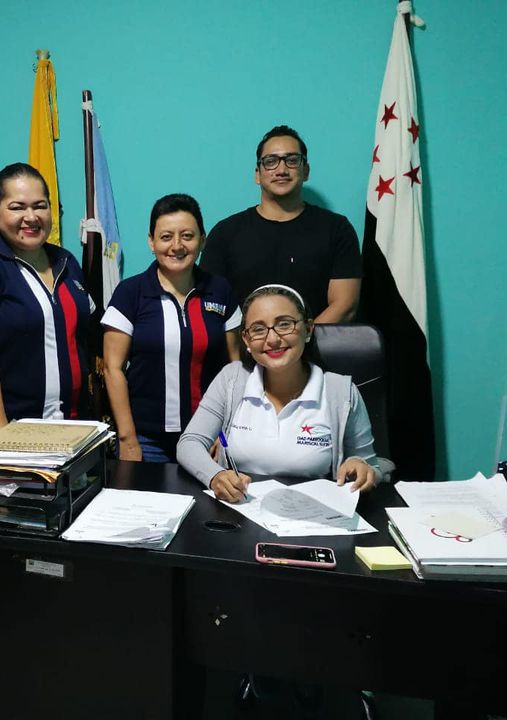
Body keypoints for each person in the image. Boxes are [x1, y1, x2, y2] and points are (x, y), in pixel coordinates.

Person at [177, 283, 379, 501]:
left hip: (312, 514)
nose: (272, 339)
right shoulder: (232, 379)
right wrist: (215, 475)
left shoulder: (341, 392)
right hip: (239, 510)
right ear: (246, 339)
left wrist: (361, 467)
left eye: (284, 324)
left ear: (308, 329)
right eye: (258, 329)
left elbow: (372, 467)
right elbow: (190, 443)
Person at [0, 163, 93, 433]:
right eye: (17, 207)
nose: (31, 217)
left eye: (40, 206)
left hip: (75, 428)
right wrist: (2, 436)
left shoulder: (66, 261)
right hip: (16, 432)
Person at [102, 193, 241, 463]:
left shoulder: (220, 290)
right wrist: (128, 439)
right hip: (146, 439)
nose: (177, 246)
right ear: (151, 241)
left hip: (209, 435)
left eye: (187, 236)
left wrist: (224, 431)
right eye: (166, 237)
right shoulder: (130, 293)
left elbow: (234, 369)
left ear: (202, 240)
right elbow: (112, 368)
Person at [200, 125, 362, 323]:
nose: (282, 170)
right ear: (257, 174)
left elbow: (345, 306)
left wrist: (302, 339)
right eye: (271, 161)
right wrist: (250, 340)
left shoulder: (337, 229)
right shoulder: (225, 233)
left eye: (292, 160)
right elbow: (211, 306)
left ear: (306, 171)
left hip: (316, 342)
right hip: (243, 342)